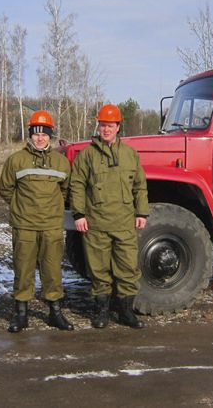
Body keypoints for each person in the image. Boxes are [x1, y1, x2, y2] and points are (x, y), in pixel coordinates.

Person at [69, 104, 148, 329]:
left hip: (124, 223)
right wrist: (79, 213)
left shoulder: (130, 155)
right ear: (99, 125)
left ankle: (126, 313)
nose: (106, 130)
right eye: (103, 125)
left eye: (110, 125)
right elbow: (77, 185)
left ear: (118, 127)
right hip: (96, 224)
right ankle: (101, 312)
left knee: (127, 269)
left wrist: (141, 211)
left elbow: (140, 186)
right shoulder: (88, 155)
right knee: (99, 270)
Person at [0, 110, 74, 333]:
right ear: (30, 134)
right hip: (25, 226)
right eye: (36, 133)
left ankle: (55, 313)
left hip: (51, 225)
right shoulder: (16, 160)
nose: (40, 138)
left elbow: (65, 190)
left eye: (44, 133)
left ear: (50, 135)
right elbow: (5, 189)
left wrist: (53, 209)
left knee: (52, 270)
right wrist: (22, 208)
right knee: (23, 269)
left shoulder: (60, 162)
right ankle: (21, 314)